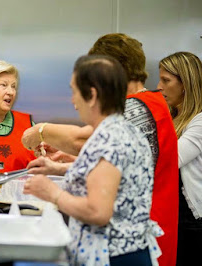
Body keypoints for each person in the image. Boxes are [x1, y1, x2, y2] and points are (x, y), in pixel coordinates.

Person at [22, 33, 179, 266]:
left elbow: (98, 211)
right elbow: (111, 169)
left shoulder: (118, 128)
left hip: (118, 252)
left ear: (94, 93)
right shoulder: (121, 126)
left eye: (75, 91)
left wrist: (51, 192)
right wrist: (59, 166)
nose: (73, 102)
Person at [158, 51, 202, 266]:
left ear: (185, 84)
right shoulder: (173, 118)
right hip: (173, 216)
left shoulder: (200, 121)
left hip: (192, 221)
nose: (159, 86)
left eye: (166, 80)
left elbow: (169, 159)